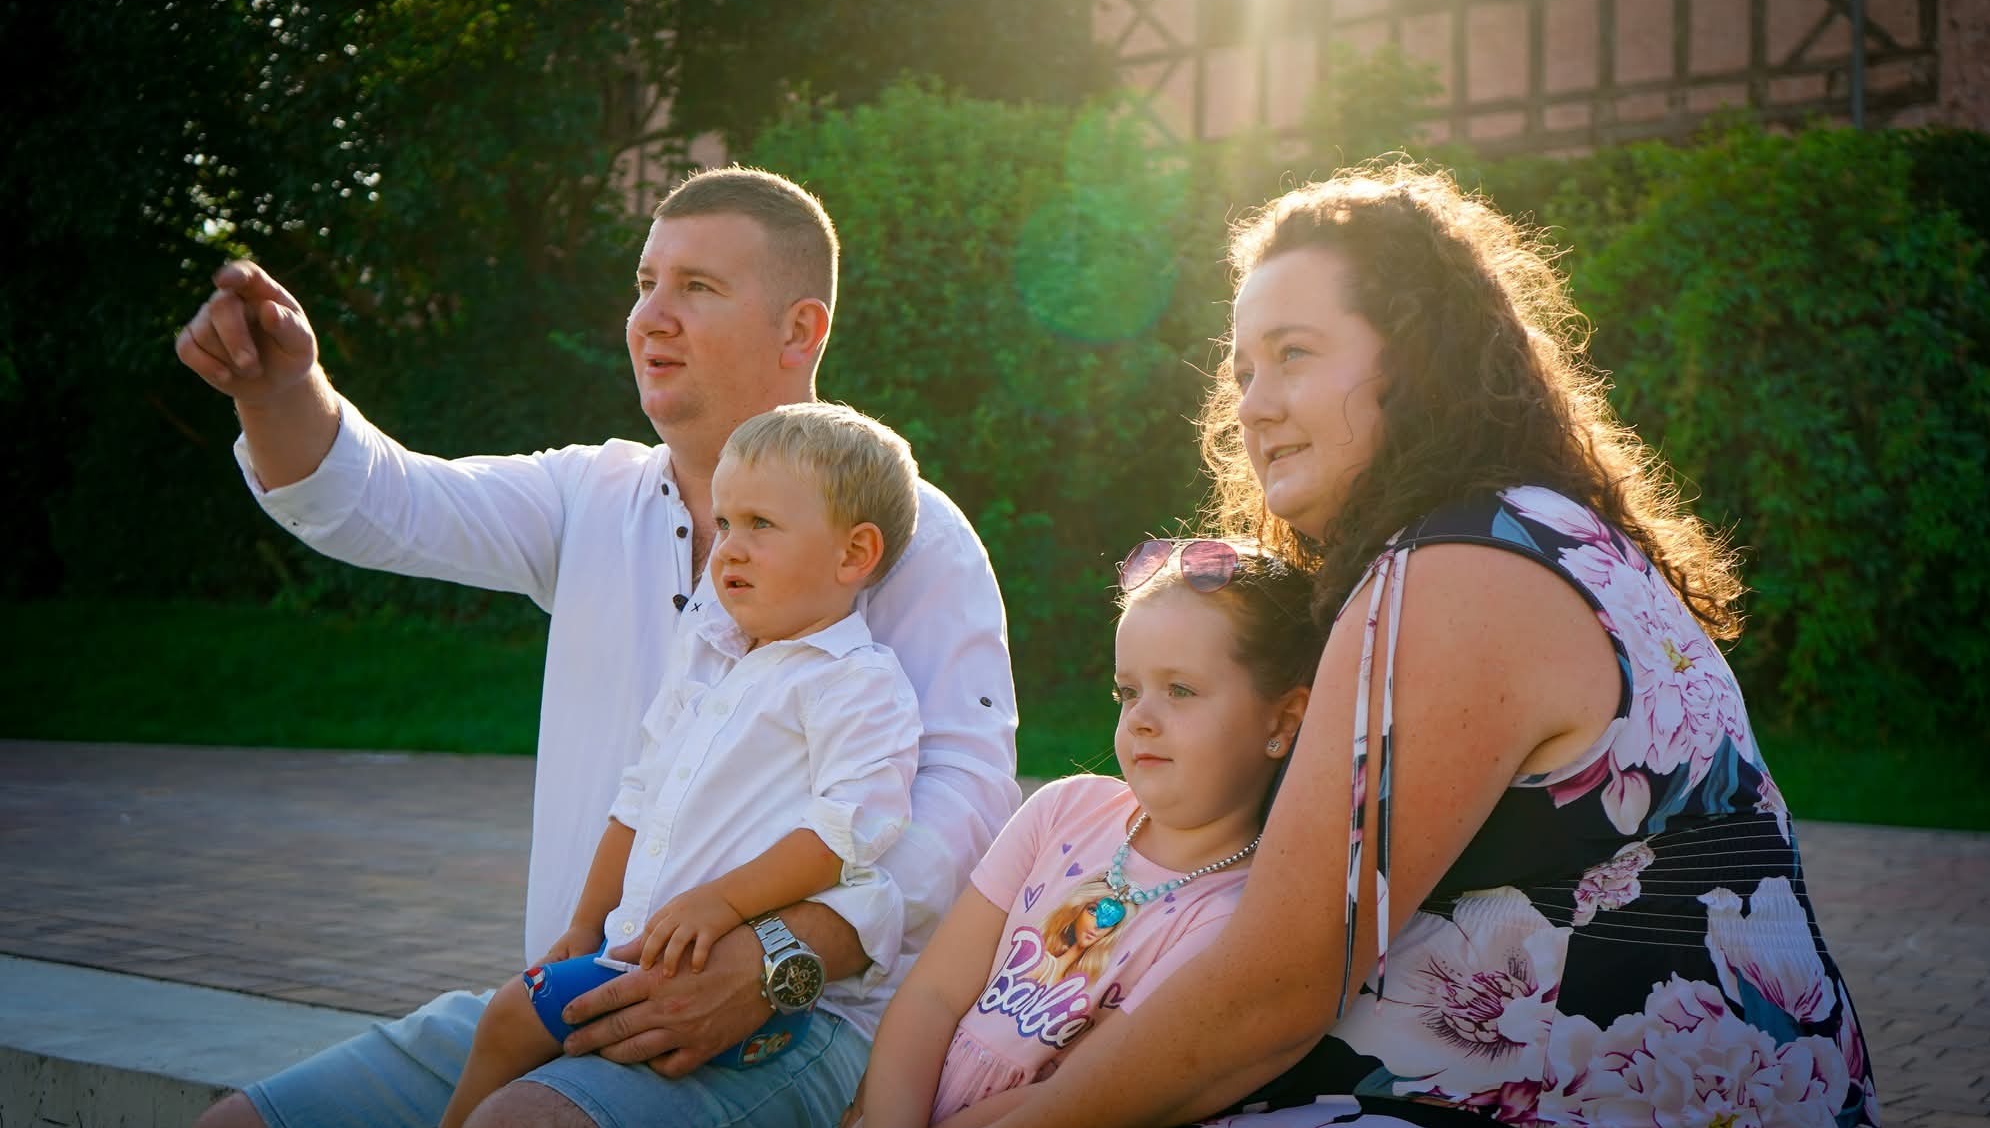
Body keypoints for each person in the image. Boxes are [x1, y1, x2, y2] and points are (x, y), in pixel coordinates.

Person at [979, 161, 1880, 1127]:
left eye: (1292, 354)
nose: (1250, 404)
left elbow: (1271, 993)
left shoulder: (1462, 574)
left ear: (1415, 359)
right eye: (1240, 370)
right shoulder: (1531, 530)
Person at [174, 166, 1022, 1128]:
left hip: (794, 1019)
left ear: (801, 330)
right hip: (575, 996)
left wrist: (778, 956)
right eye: (644, 283)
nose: (652, 315)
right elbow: (378, 501)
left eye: (697, 287)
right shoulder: (592, 495)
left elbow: (962, 802)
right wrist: (283, 389)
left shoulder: (907, 535)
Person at [441, 402, 926, 1127]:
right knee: (515, 1017)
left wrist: (725, 903)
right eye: (725, 523)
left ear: (853, 554)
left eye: (761, 525)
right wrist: (583, 920)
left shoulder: (856, 680)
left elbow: (845, 832)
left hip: (727, 977)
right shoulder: (710, 663)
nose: (728, 547)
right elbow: (636, 800)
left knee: (525, 1026)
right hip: (634, 949)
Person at [844, 537, 1324, 1128]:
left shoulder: (1229, 919)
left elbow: (1074, 1098)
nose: (1141, 718)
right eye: (1128, 691)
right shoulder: (1063, 811)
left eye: (1180, 690)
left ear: (1282, 720)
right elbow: (931, 995)